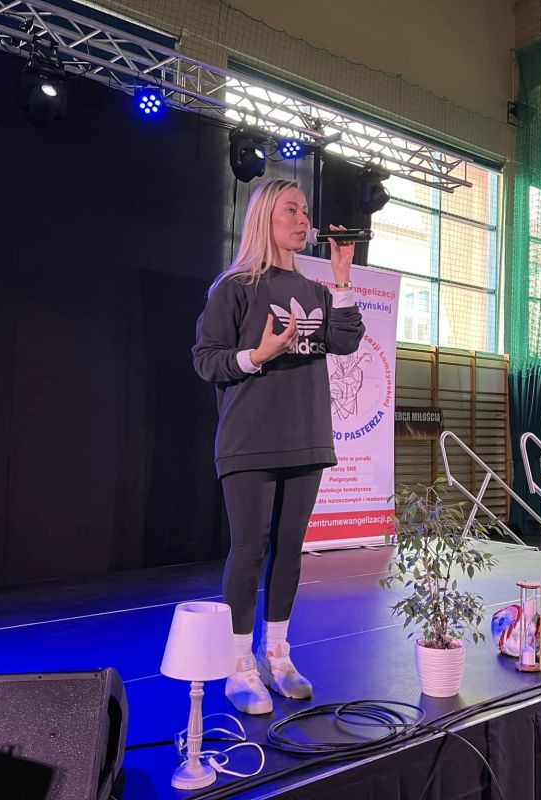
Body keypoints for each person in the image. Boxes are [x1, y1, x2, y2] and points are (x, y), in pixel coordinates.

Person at [192, 179, 365, 715]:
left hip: (306, 438)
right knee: (249, 550)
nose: (303, 219)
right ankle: (238, 665)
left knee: (290, 551)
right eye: (291, 209)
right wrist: (257, 354)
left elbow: (345, 341)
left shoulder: (314, 290)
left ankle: (277, 655)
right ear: (265, 216)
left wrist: (341, 279)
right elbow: (206, 359)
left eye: (305, 210)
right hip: (250, 440)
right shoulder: (235, 287)